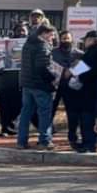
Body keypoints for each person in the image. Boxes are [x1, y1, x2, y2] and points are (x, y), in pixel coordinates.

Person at [18, 22, 58, 150]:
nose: (52, 38)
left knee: (26, 112)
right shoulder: (42, 47)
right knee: (44, 113)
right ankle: (45, 140)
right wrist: (53, 78)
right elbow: (42, 67)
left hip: (27, 83)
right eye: (51, 35)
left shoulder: (28, 44)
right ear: (44, 34)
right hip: (40, 85)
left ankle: (21, 141)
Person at [69, 30, 97, 153]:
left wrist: (81, 76)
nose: (84, 42)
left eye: (86, 39)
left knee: (89, 117)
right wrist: (75, 73)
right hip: (86, 89)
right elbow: (83, 66)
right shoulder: (90, 52)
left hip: (94, 89)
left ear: (91, 40)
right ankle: (86, 141)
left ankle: (90, 143)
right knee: (85, 116)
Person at [0, 21, 28, 136]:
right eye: (19, 30)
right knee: (4, 105)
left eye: (23, 30)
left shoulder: (30, 45)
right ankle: (4, 128)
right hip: (7, 81)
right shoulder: (5, 45)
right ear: (14, 32)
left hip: (22, 82)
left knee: (18, 106)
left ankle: (12, 127)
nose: (21, 33)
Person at [52, 31, 83, 150]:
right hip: (55, 85)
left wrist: (72, 71)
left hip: (72, 87)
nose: (65, 41)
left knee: (73, 113)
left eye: (67, 38)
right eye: (63, 38)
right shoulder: (53, 52)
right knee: (50, 111)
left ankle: (73, 138)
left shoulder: (79, 53)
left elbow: (85, 65)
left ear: (72, 39)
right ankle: (46, 137)